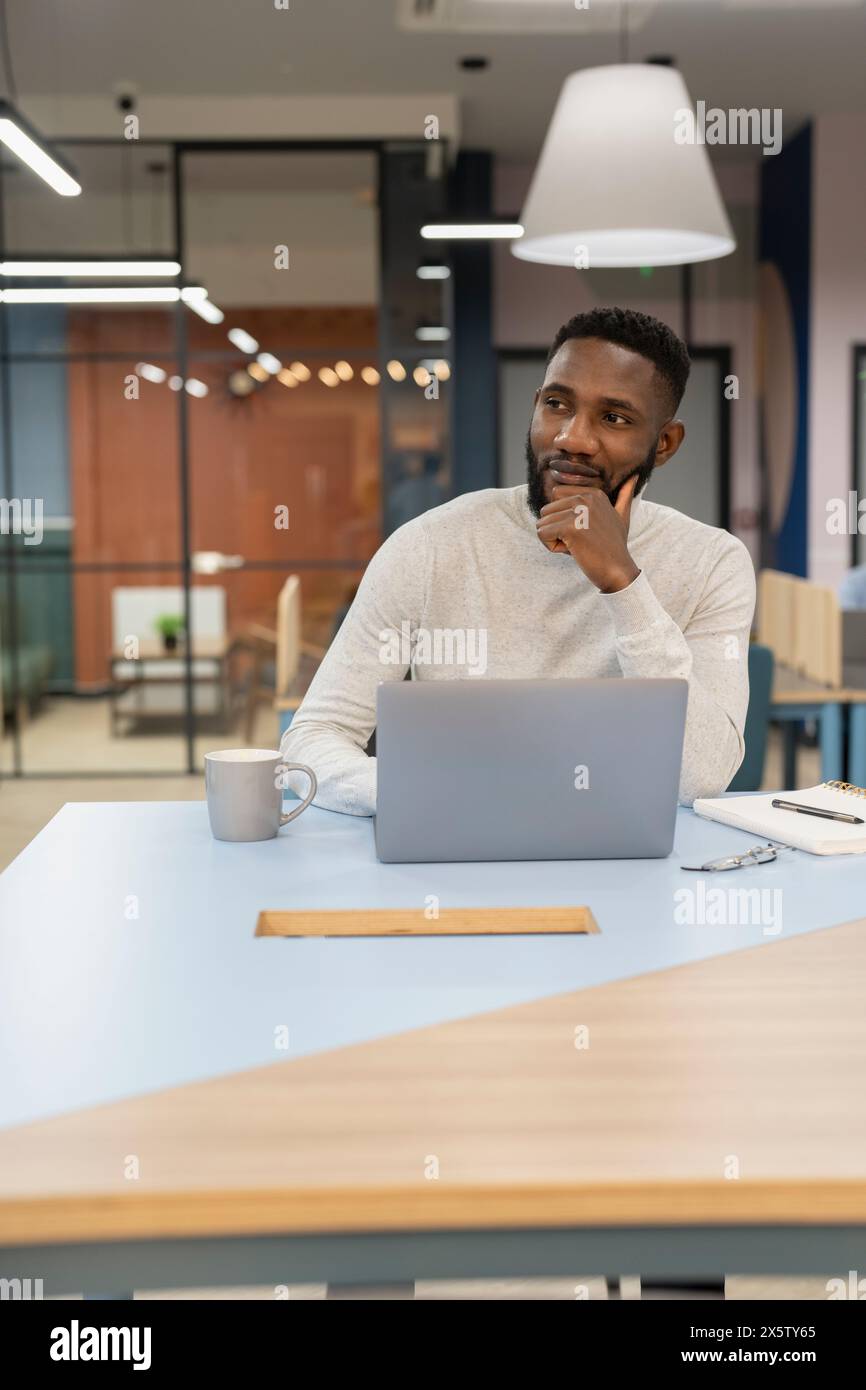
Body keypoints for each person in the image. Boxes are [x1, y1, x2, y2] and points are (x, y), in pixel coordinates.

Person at [281, 306, 756, 814]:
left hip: (627, 865)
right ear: (535, 408)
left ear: (664, 444)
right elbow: (314, 737)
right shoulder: (429, 545)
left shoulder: (712, 563)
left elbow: (703, 776)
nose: (572, 438)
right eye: (557, 404)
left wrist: (622, 582)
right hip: (450, 849)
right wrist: (422, 795)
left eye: (614, 418)